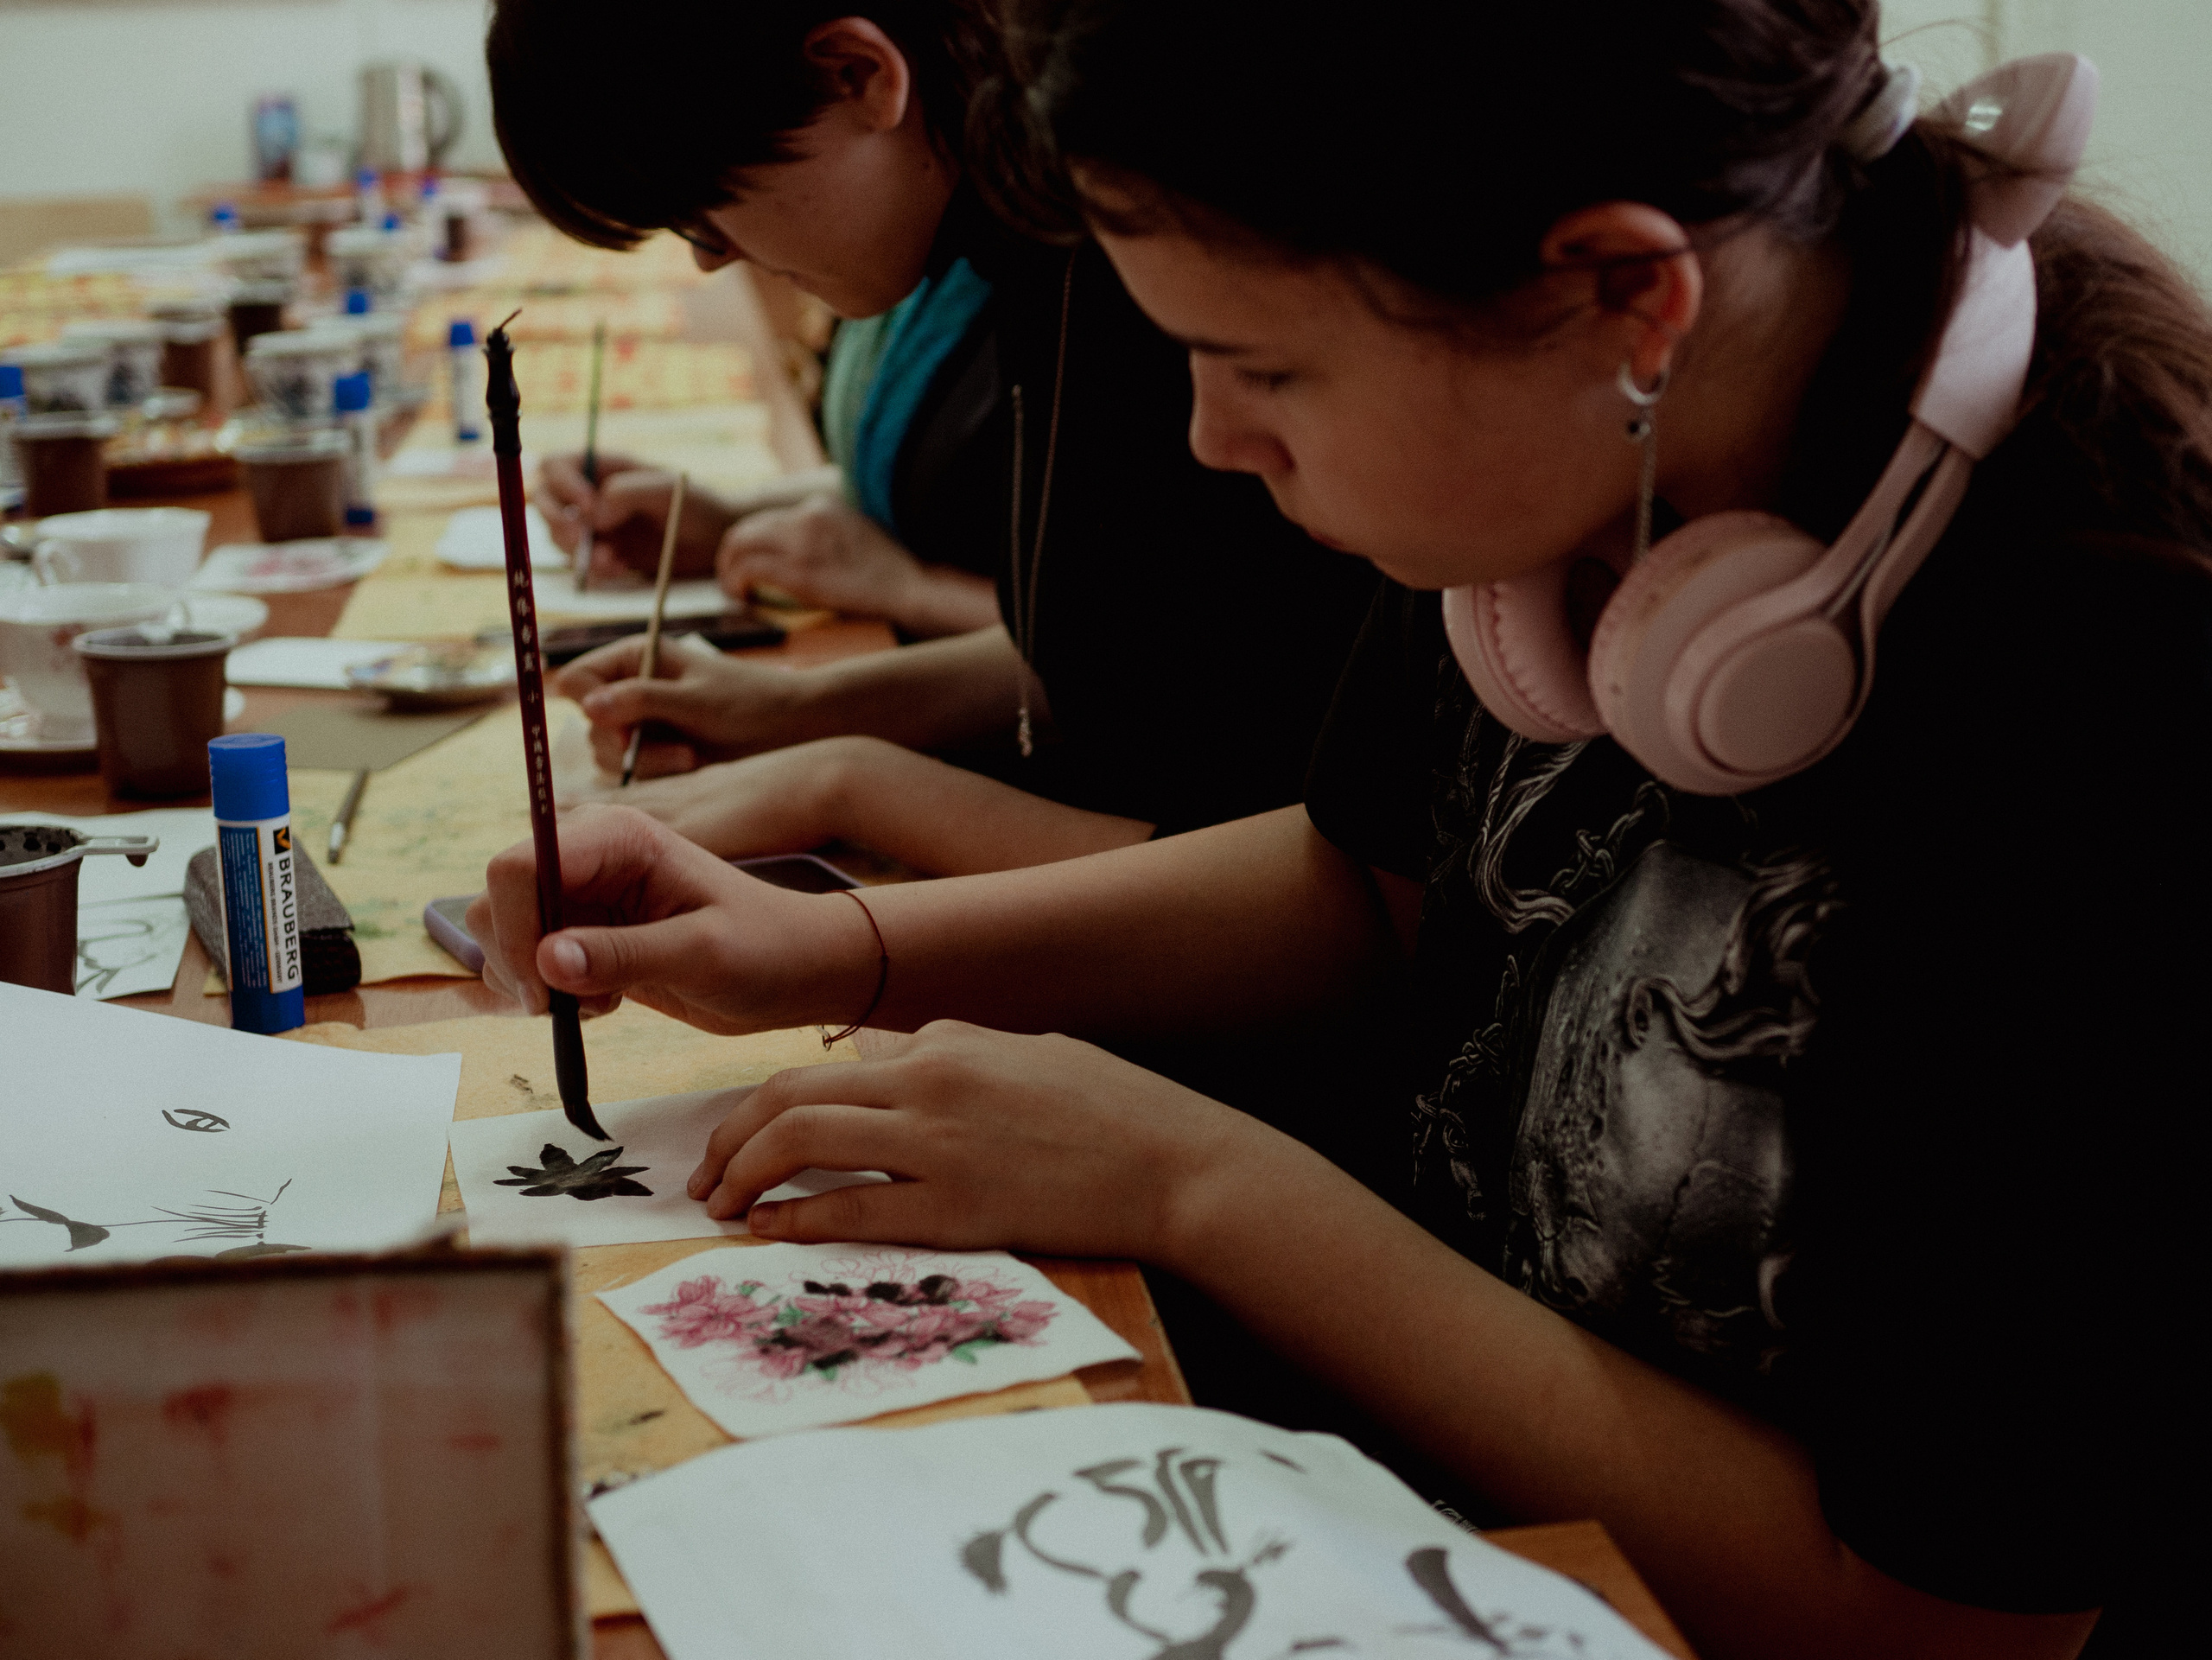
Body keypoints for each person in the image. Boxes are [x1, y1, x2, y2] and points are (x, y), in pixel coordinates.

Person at [472, 2, 2209, 1654]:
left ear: (1623, 290)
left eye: (1261, 370)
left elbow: (1920, 1625)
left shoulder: (2094, 718)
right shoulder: (1563, 485)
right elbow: (1363, 881)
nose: (1215, 444)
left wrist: (1194, 1181)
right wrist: (832, 943)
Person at [486, 0, 1376, 875]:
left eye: (701, 212)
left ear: (861, 75)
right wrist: (797, 710)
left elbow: (1306, 865)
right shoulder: (1023, 244)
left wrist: (844, 780)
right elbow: (1116, 656)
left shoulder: (1131, 256)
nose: (708, 260)